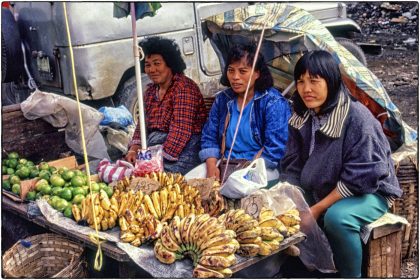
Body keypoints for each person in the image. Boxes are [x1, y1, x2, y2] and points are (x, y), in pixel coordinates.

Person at [279, 50, 402, 277]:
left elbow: (364, 176)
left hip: (370, 191)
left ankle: (350, 275)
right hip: (322, 186)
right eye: (301, 82)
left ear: (332, 82)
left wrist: (314, 209)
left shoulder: (357, 118)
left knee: (338, 219)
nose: (306, 89)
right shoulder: (302, 116)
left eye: (314, 81)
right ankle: (306, 267)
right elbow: (292, 164)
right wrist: (292, 195)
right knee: (273, 197)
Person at [199, 43, 291, 181]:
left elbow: (275, 149)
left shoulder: (273, 102)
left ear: (257, 73)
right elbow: (209, 137)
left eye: (243, 71)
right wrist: (212, 167)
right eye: (231, 70)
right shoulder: (223, 100)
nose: (235, 77)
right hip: (225, 163)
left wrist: (245, 173)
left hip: (258, 168)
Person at [126, 36, 207, 174]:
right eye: (148, 65)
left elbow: (180, 131)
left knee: (155, 177)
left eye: (157, 63)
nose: (152, 69)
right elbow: (142, 126)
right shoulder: (151, 91)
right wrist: (134, 149)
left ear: (170, 64)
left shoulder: (183, 88)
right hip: (155, 148)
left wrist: (151, 162)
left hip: (184, 149)